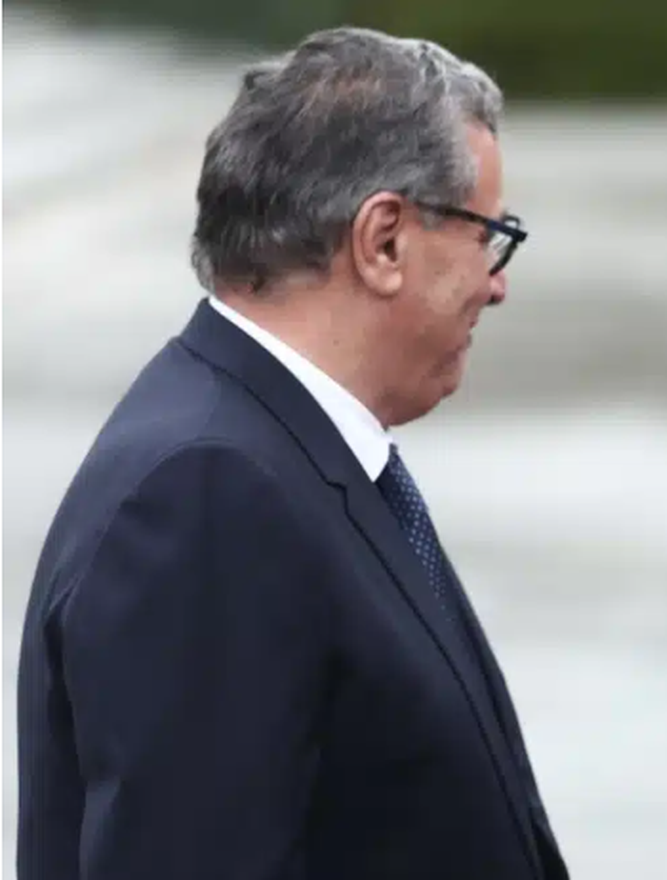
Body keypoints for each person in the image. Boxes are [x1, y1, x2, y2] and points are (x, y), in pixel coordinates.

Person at [15, 27, 566, 880]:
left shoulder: (281, 448)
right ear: (383, 240)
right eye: (487, 235)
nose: (496, 281)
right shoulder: (208, 493)